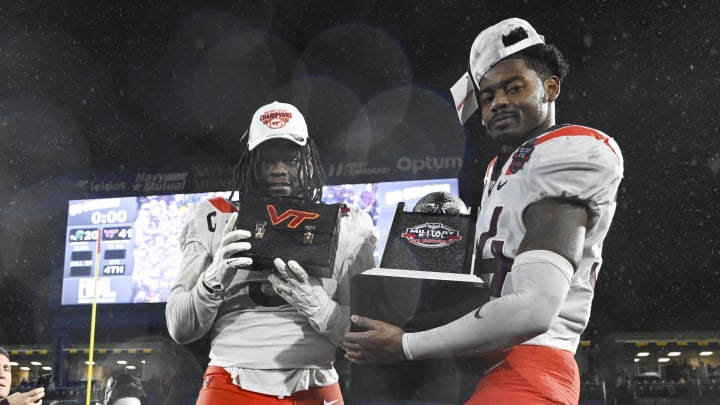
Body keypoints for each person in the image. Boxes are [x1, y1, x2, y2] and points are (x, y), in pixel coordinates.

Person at [344, 17, 624, 404]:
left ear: (551, 87)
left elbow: (532, 309)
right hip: (478, 358)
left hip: (531, 364)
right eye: (488, 96)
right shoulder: (500, 167)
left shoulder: (569, 152)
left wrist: (406, 344)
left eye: (515, 87)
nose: (498, 103)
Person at [165, 101, 377, 405]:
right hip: (231, 378)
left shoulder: (348, 223)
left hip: (315, 382)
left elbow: (368, 339)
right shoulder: (214, 217)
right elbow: (180, 328)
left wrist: (321, 309)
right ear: (252, 163)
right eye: (268, 160)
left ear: (308, 159)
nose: (279, 170)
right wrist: (215, 277)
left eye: (290, 158)